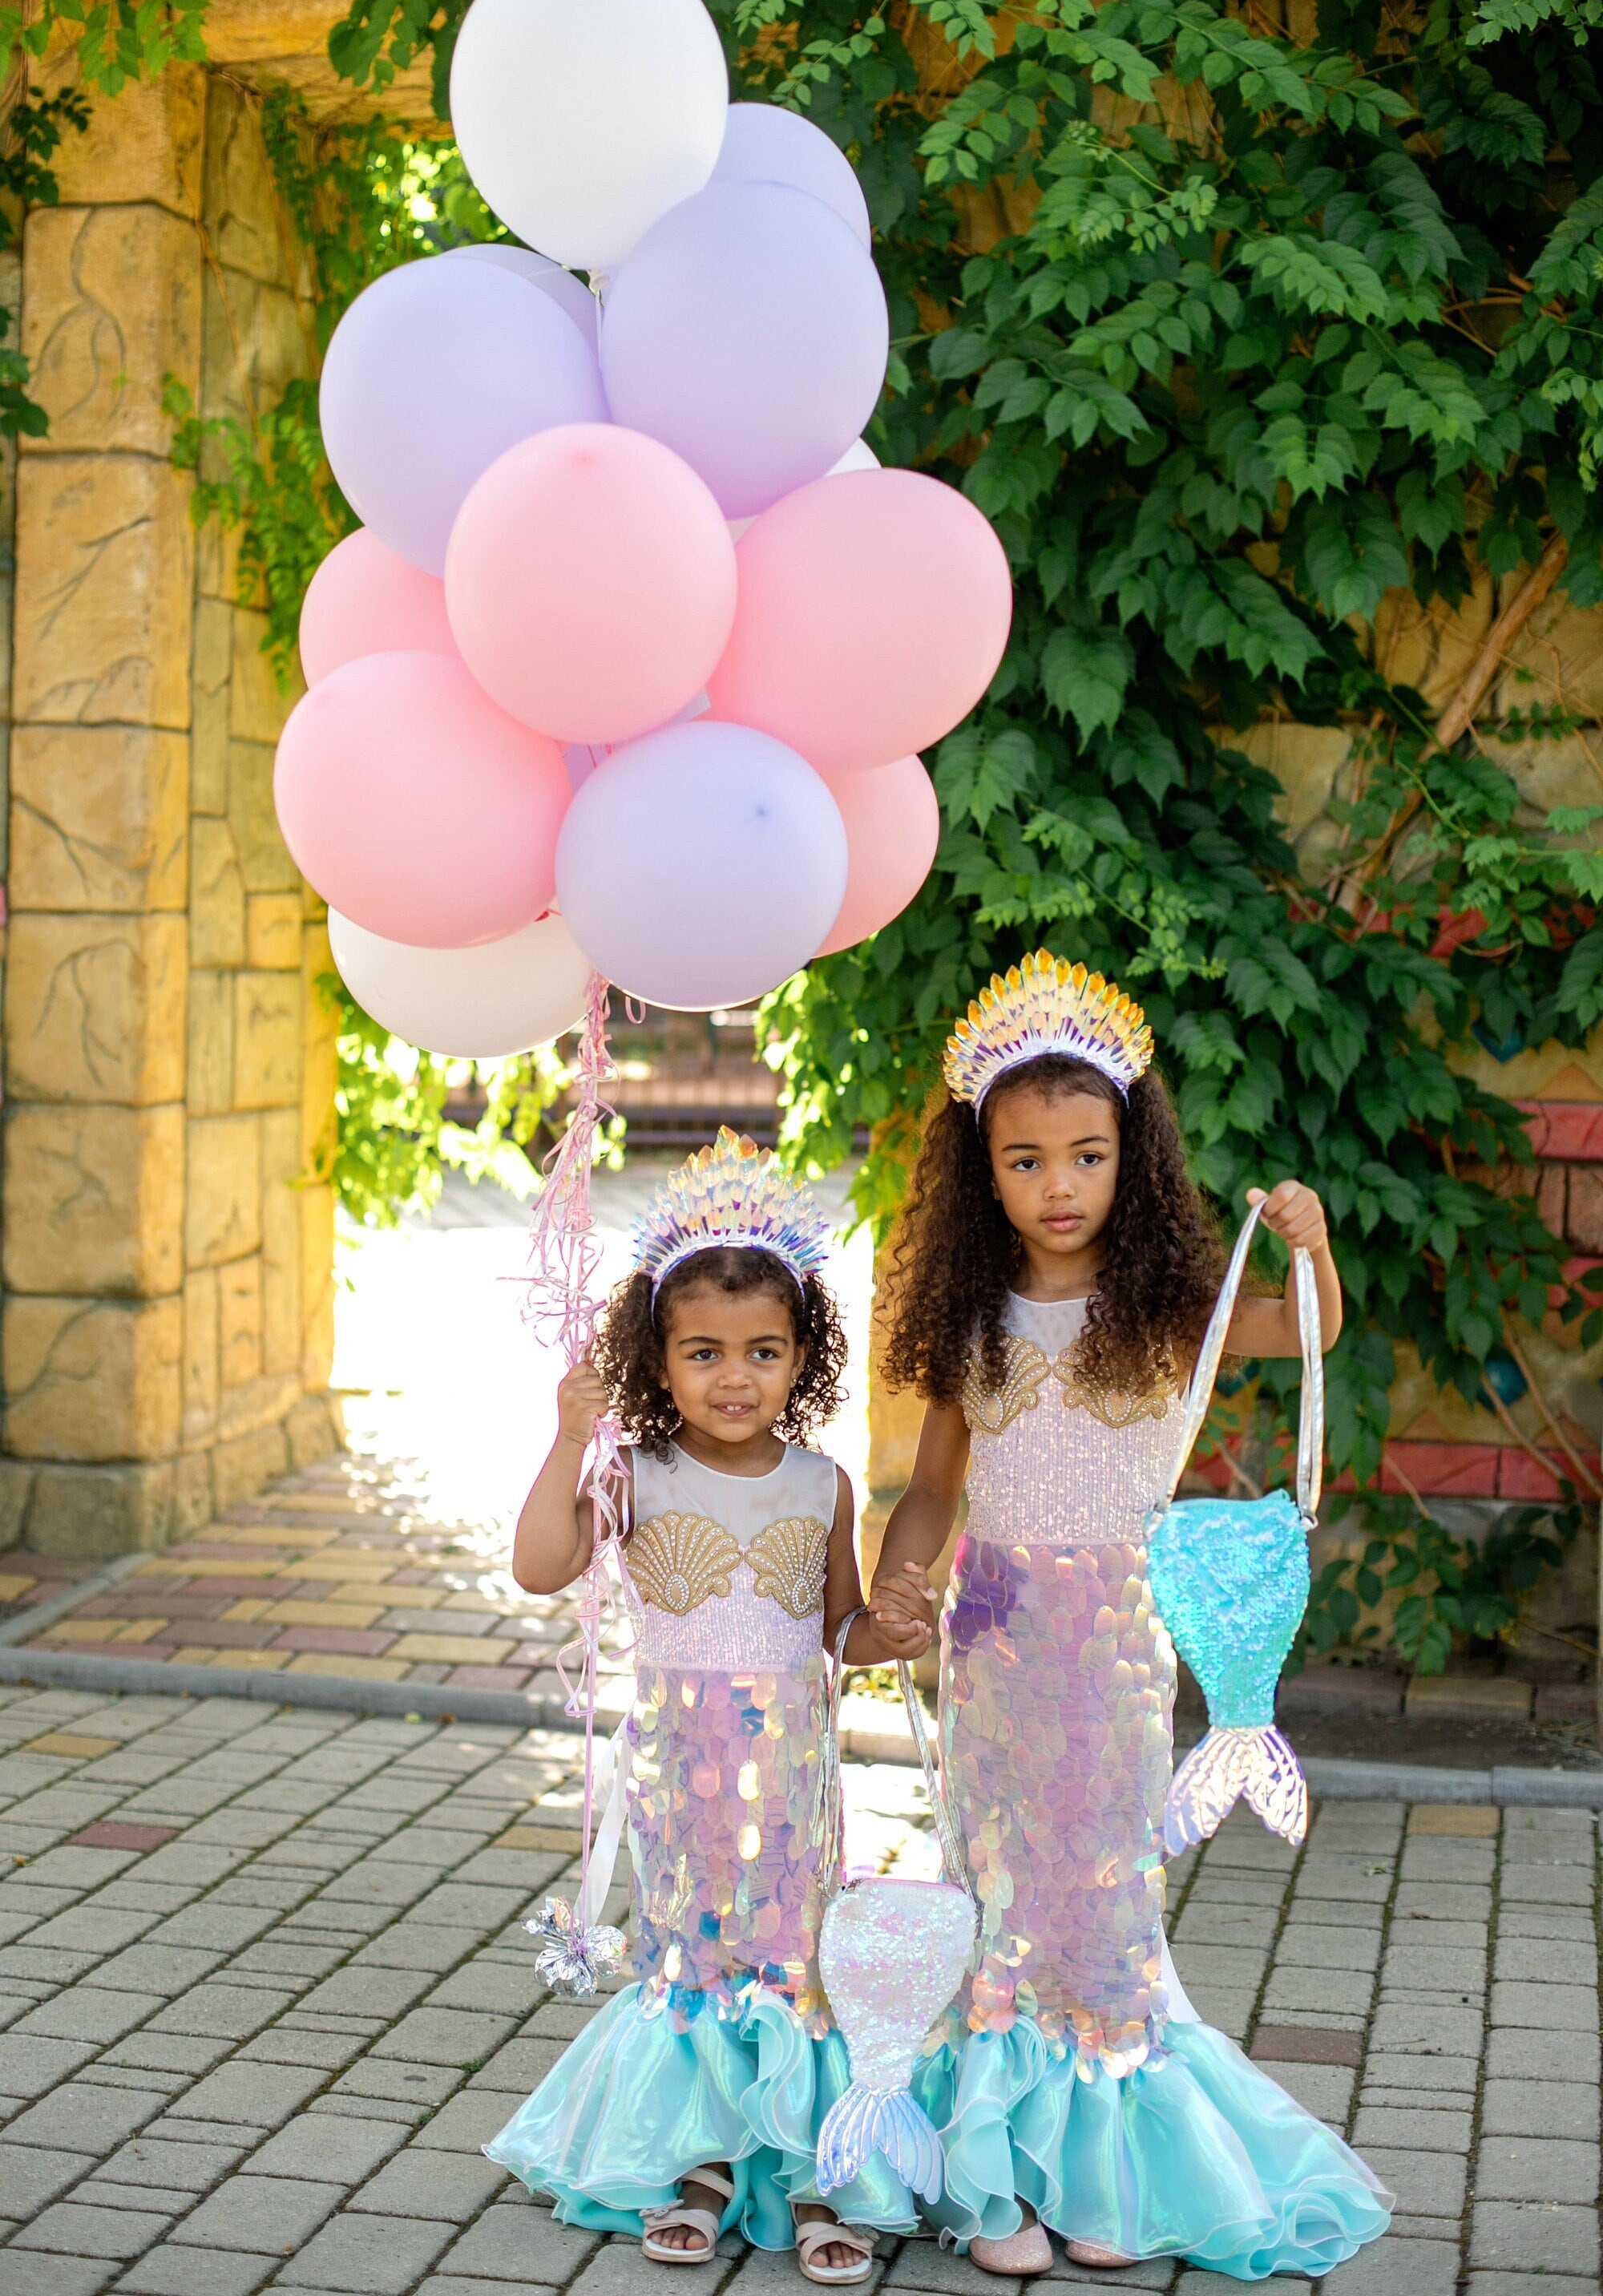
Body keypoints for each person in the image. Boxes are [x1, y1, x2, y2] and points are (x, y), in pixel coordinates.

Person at [869, 952, 1392, 2280]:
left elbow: (1309, 1330)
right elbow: (934, 1489)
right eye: (1027, 1160)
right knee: (995, 1882)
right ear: (984, 1170)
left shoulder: (1166, 1310)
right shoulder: (973, 1317)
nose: (1058, 1187)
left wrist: (1314, 1247)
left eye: (1087, 1156)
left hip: (1112, 1641)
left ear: (1131, 1157)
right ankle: (994, 2182)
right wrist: (899, 1576)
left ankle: (1097, 2158)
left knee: (1104, 1887)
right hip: (990, 1639)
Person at [487, 1128, 931, 2284]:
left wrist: (891, 1630)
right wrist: (565, 1437)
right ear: (658, 1357)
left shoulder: (822, 1483)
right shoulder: (633, 1473)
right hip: (682, 1784)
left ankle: (812, 2162)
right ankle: (699, 2161)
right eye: (702, 1352)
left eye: (764, 1351)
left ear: (803, 1358)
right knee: (696, 1951)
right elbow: (539, 1567)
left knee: (795, 1959)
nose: (735, 1377)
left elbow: (840, 1628)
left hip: (794, 1788)